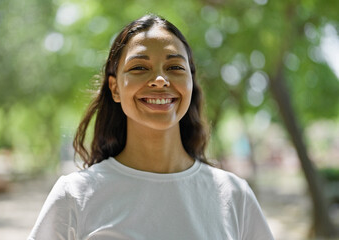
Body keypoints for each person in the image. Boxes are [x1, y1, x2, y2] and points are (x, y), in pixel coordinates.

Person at [28, 14, 274, 240]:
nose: (159, 80)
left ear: (190, 82)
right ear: (115, 88)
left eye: (175, 67)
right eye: (139, 68)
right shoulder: (74, 196)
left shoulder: (233, 196)